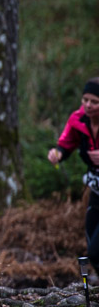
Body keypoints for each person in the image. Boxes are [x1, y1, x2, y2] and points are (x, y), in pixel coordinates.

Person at [48, 77, 99, 273]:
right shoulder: (78, 120)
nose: (88, 105)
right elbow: (66, 144)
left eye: (94, 102)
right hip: (95, 189)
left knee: (96, 251)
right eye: (85, 100)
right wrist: (57, 154)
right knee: (92, 246)